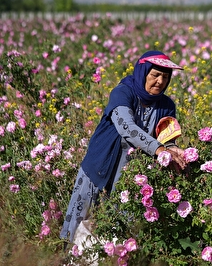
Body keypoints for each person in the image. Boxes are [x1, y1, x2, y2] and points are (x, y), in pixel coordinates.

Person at [60, 50, 187, 242]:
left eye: (165, 77)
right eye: (155, 75)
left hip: (130, 175)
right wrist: (159, 149)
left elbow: (166, 137)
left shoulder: (166, 105)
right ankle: (63, 257)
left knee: (121, 225)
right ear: (143, 72)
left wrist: (172, 149)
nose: (160, 82)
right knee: (77, 218)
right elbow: (126, 127)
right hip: (99, 164)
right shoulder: (123, 92)